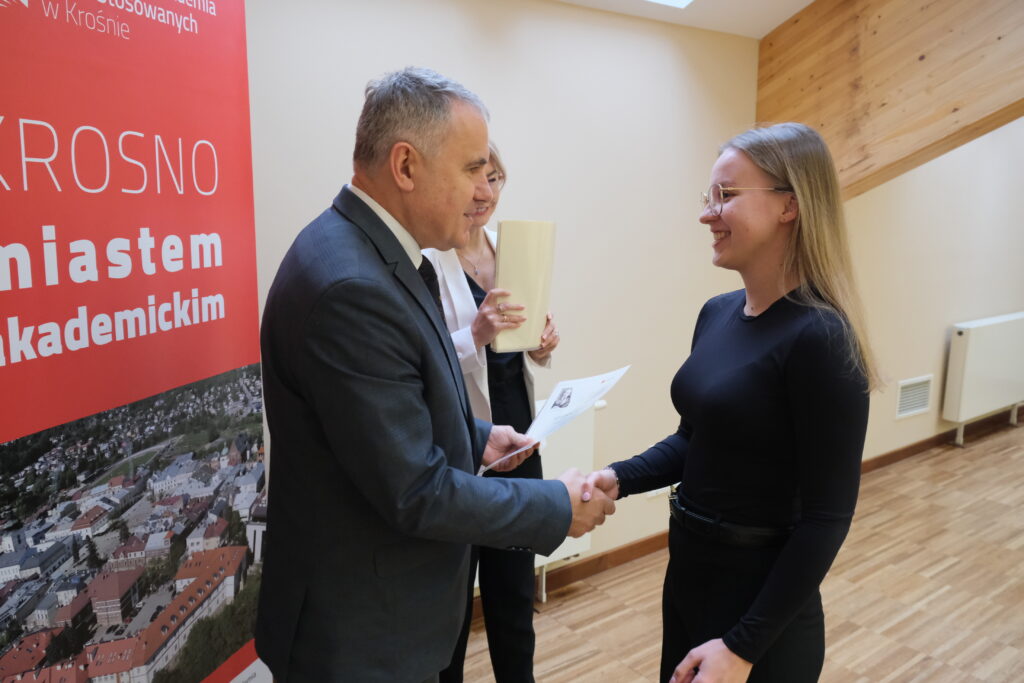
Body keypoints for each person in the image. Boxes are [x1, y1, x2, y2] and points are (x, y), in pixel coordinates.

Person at [255, 67, 614, 683]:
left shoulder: (370, 252)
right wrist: (555, 506)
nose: (484, 190)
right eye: (473, 168)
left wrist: (479, 436)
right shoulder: (352, 288)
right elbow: (415, 490)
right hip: (362, 634)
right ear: (406, 165)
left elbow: (387, 414)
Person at [584, 122, 877, 683]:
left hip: (759, 616)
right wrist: (617, 478)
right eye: (708, 196)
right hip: (690, 579)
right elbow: (695, 440)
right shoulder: (717, 312)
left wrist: (742, 648)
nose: (706, 214)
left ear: (789, 205)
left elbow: (827, 518)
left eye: (726, 195)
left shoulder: (822, 338)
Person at [424, 144, 560, 683]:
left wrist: (543, 344)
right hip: (462, 447)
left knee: (513, 598)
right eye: (476, 176)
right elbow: (424, 363)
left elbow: (523, 349)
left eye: (496, 177)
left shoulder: (513, 249)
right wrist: (475, 334)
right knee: (452, 607)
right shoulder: (429, 259)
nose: (486, 192)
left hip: (519, 444)